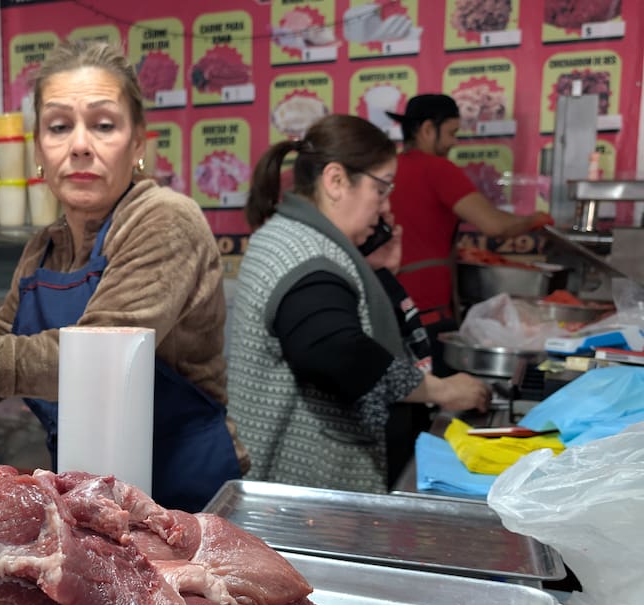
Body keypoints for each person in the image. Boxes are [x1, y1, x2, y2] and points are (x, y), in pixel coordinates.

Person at [0, 39, 244, 512]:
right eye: (59, 127)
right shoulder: (43, 248)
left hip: (183, 495)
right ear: (38, 151)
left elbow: (97, 361)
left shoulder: (164, 219)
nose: (80, 146)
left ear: (137, 144)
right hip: (88, 495)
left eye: (104, 125)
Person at [226, 114, 492, 494]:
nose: (385, 208)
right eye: (381, 190)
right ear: (335, 180)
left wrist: (375, 270)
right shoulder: (311, 258)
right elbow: (335, 351)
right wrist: (439, 390)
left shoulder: (288, 233)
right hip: (301, 493)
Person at [385, 94, 552, 367]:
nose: (454, 142)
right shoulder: (438, 169)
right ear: (428, 129)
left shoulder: (389, 168)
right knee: (439, 396)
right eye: (451, 133)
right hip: (428, 313)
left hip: (390, 309)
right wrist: (535, 220)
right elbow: (495, 225)